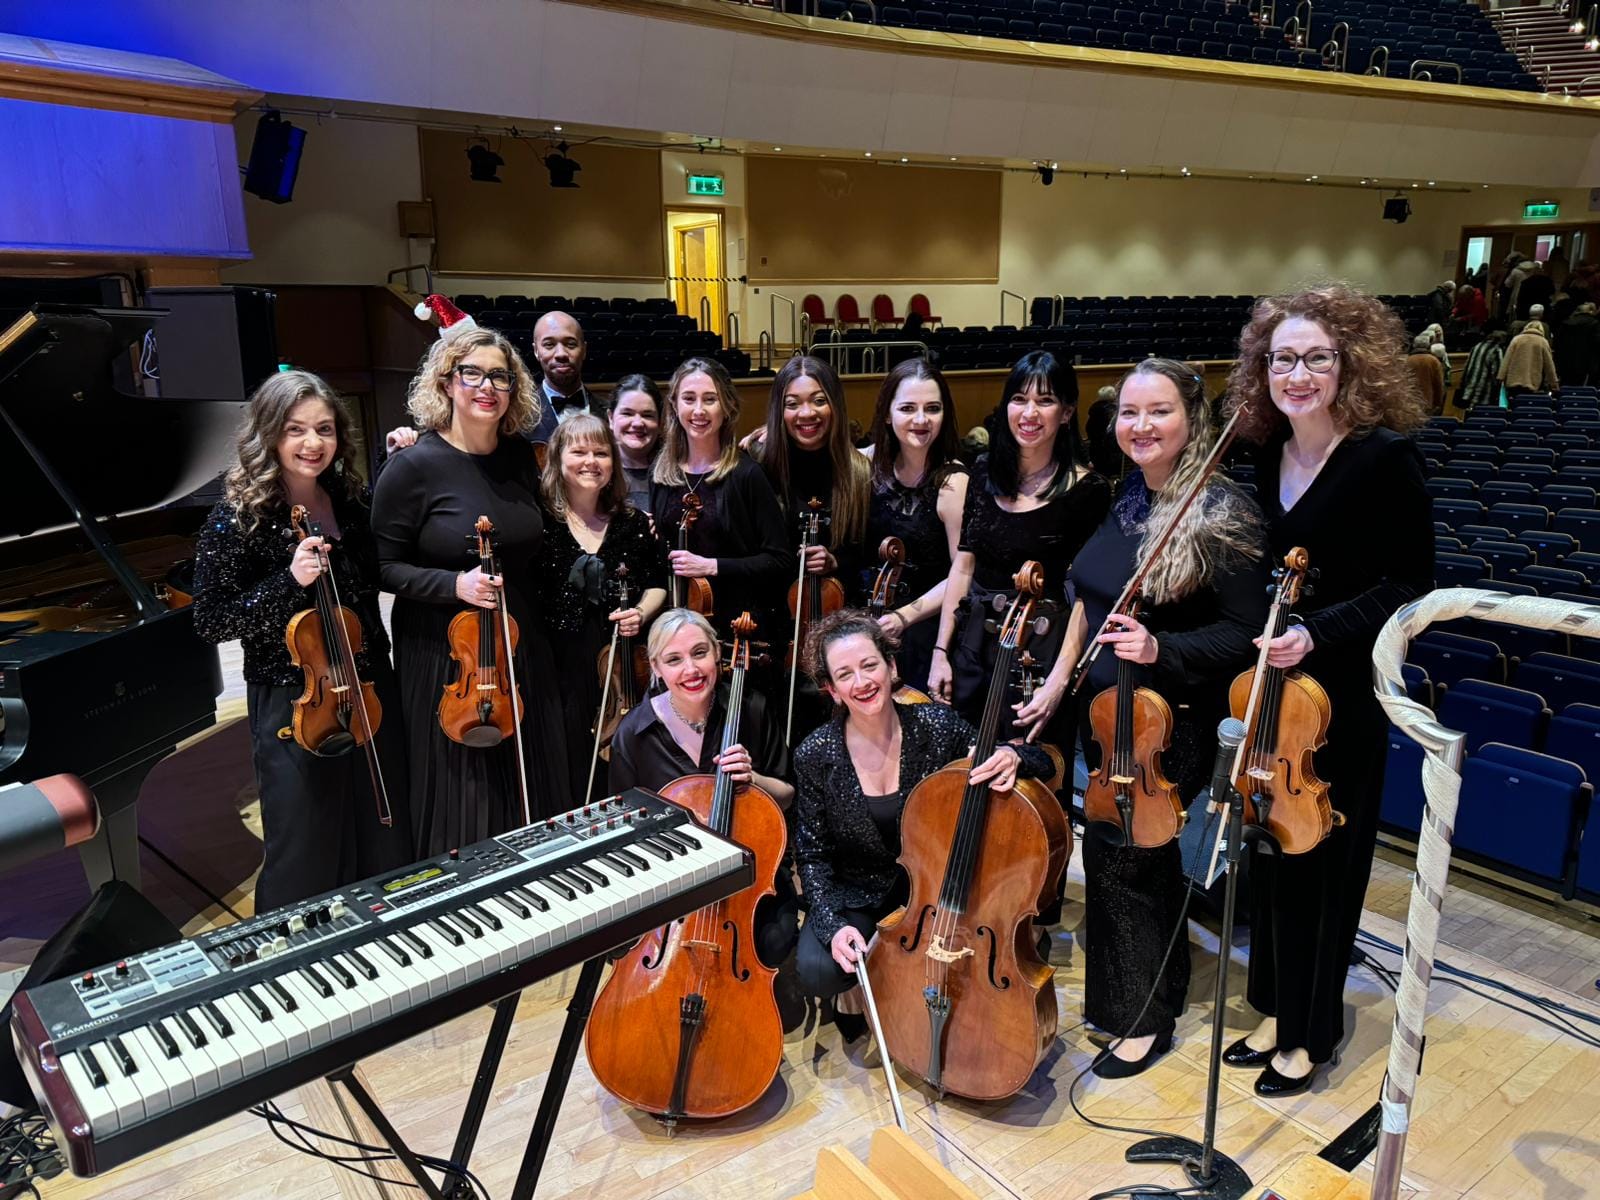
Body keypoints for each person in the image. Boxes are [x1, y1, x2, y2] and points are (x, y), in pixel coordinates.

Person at [1221, 282, 1433, 1097]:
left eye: (1317, 358)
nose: (1298, 374)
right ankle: (1275, 1008)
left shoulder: (1383, 456)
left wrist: (1322, 630)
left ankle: (1311, 1033)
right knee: (1272, 857)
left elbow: (1412, 583)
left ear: (1350, 364)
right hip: (1273, 700)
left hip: (1339, 697)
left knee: (1326, 863)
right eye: (1283, 359)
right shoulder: (1262, 455)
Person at [1062, 359, 1268, 1077]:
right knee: (1114, 863)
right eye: (1129, 413)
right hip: (1113, 717)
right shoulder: (1129, 497)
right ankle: (1133, 1001)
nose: (1140, 426)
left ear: (1193, 419)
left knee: (1134, 868)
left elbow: (1246, 633)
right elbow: (1088, 598)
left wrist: (1162, 645)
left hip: (1172, 721)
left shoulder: (1223, 512)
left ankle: (1144, 1021)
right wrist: (1062, 679)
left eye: (1159, 412)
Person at [193, 370, 412, 912]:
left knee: (378, 820)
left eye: (324, 429)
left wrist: (399, 466)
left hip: (366, 684)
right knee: (303, 838)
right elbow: (211, 620)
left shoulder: (348, 499)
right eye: (296, 430)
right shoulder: (237, 517)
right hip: (295, 698)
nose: (313, 444)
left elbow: (378, 571)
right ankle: (296, 956)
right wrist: (289, 581)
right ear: (269, 434)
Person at [791, 611, 1055, 1017]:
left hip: (935, 890)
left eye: (869, 665)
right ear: (832, 690)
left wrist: (1011, 755)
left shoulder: (936, 724)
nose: (861, 683)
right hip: (861, 890)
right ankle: (864, 989)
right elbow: (812, 855)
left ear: (891, 666)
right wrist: (833, 926)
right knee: (817, 968)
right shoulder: (815, 754)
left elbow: (1044, 762)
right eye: (845, 675)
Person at [372, 320, 569, 853]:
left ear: (514, 389)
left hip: (519, 641)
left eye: (500, 377)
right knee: (460, 793)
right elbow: (380, 566)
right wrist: (451, 585)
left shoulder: (520, 460)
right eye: (472, 374)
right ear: (445, 382)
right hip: (443, 652)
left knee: (529, 781)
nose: (486, 387)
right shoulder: (411, 466)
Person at [930, 350, 1111, 746]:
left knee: (1029, 774)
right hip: (975, 645)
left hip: (1040, 653)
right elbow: (963, 566)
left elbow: (1086, 595)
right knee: (963, 762)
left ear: (1066, 412)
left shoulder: (1088, 490)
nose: (1029, 413)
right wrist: (941, 650)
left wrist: (1059, 682)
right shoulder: (982, 470)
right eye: (1019, 399)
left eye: (1045, 401)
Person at [607, 608, 798, 966]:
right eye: (674, 660)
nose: (691, 670)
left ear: (718, 654)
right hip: (669, 879)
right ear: (656, 668)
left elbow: (787, 796)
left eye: (699, 653)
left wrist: (753, 779)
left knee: (773, 942)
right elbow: (624, 830)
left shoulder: (751, 709)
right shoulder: (633, 734)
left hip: (749, 874)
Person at [534, 414, 667, 803]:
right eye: (578, 451)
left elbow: (657, 583)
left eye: (601, 452)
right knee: (570, 766)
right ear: (558, 459)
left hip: (621, 665)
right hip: (559, 668)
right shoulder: (539, 522)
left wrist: (640, 612)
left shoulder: (633, 522)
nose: (591, 461)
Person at [649, 357, 789, 644]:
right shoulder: (662, 474)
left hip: (738, 626)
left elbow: (780, 560)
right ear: (674, 406)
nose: (699, 410)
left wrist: (710, 566)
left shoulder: (746, 475)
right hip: (677, 624)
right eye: (689, 399)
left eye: (710, 399)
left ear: (727, 407)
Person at [858, 358, 969, 693]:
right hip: (867, 621)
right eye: (908, 408)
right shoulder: (865, 464)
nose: (921, 420)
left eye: (932, 409)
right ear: (888, 414)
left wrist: (903, 617)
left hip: (925, 628)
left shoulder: (953, 482)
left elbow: (961, 573)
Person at [529, 311, 598, 444]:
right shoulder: (519, 416)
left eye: (570, 344)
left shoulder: (609, 412)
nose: (561, 354)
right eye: (549, 344)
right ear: (536, 351)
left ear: (584, 350)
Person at [609, 374, 664, 511]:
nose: (638, 423)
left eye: (647, 415)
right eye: (627, 413)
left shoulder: (676, 472)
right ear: (611, 418)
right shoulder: (597, 471)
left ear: (660, 423)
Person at [1499, 319, 1560, 399]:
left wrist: (1500, 377)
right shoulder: (1542, 342)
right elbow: (1549, 366)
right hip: (1532, 384)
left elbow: (1506, 360)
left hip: (1513, 383)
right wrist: (1554, 385)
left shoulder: (1516, 339)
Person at [1455, 330, 1508, 410]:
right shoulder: (1496, 350)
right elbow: (1497, 372)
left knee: (1470, 413)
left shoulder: (1477, 346)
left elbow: (1467, 365)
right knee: (1482, 415)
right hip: (1485, 389)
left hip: (1469, 385)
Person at [1555, 302, 1600, 388]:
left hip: (1565, 364)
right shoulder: (1594, 324)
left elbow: (1557, 342)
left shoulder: (1565, 323)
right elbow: (1597, 343)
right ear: (1590, 311)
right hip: (1586, 366)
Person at [1406, 332, 1446, 413]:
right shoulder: (1433, 360)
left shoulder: (1407, 360)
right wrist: (1439, 402)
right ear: (1428, 345)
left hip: (1409, 402)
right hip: (1428, 402)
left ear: (1413, 345)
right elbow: (1438, 383)